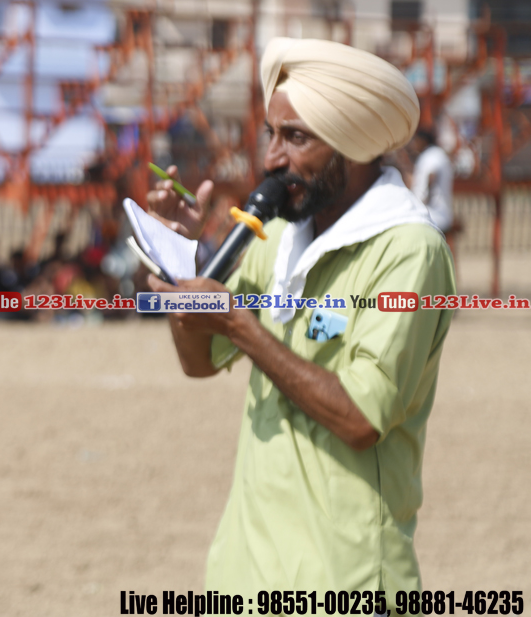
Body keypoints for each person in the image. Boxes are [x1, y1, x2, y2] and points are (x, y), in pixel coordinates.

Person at [146, 37, 455, 599]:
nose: (271, 159)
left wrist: (241, 326)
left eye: (295, 137)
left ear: (352, 144)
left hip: (345, 582)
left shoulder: (410, 250)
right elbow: (200, 361)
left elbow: (361, 419)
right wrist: (181, 266)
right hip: (244, 578)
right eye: (271, 134)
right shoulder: (276, 237)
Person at [409, 127, 455, 233]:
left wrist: (425, 199)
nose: (414, 145)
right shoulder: (439, 154)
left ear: (423, 141)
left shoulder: (431, 155)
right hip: (440, 214)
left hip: (432, 216)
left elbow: (432, 175)